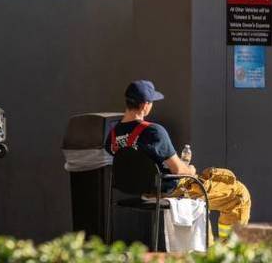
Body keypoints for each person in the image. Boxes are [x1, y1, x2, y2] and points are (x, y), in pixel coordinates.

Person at [106, 79, 250, 235]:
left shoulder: (112, 135)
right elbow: (179, 170)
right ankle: (230, 250)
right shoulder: (154, 132)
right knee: (239, 194)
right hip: (170, 189)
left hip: (138, 190)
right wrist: (190, 168)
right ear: (144, 105)